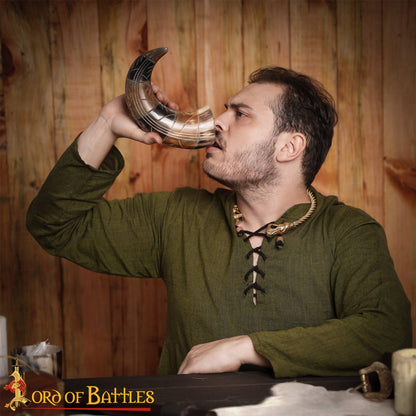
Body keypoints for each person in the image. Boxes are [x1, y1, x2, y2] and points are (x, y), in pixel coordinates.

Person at [26, 66, 411, 378]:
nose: (217, 122)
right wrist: (108, 123)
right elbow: (55, 225)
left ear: (289, 146)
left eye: (240, 114)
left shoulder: (348, 232)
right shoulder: (177, 217)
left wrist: (247, 348)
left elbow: (387, 333)